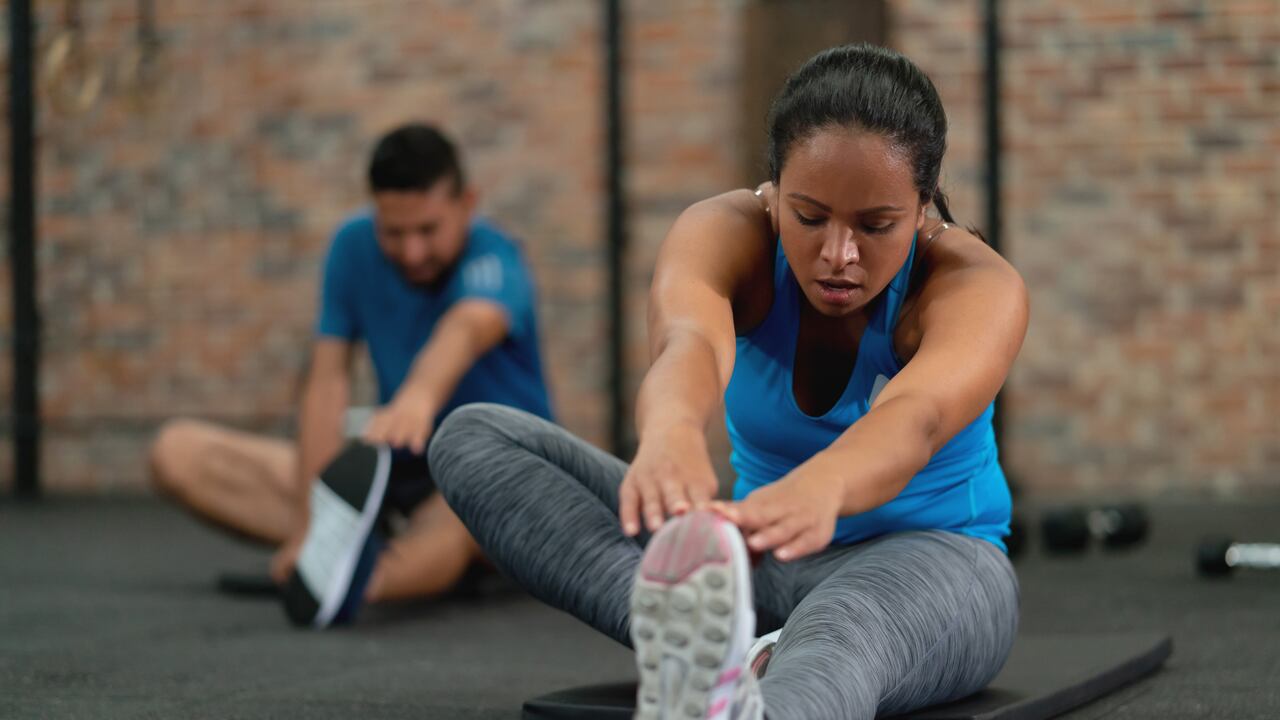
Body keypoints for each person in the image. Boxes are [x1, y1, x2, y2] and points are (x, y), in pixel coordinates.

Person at [428, 43, 1027, 719]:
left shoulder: (975, 285)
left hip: (938, 568)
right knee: (473, 439)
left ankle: (763, 698)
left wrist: (822, 486)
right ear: (772, 195)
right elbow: (688, 346)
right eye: (809, 217)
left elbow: (914, 417)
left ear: (921, 210)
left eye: (876, 226)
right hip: (756, 563)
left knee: (842, 631)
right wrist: (671, 433)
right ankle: (730, 648)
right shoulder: (726, 234)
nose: (838, 255)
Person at [149, 123, 553, 626]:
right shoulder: (351, 246)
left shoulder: (495, 257)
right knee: (177, 452)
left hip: (495, 481)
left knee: (460, 521)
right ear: (374, 212)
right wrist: (306, 525)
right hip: (397, 470)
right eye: (394, 233)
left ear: (467, 203)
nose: (412, 253)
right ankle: (334, 553)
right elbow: (327, 381)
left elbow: (465, 330)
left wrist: (417, 400)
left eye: (428, 231)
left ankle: (355, 584)